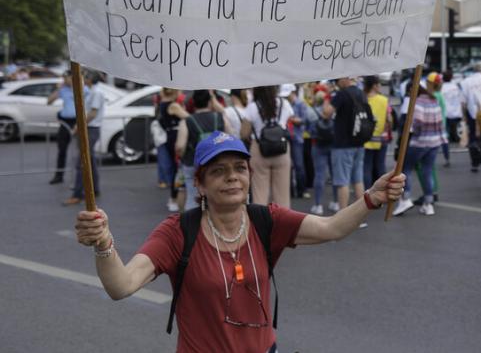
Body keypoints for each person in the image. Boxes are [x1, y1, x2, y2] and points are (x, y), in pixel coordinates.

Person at [73, 131, 405, 352]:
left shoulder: (268, 220)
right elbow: (121, 285)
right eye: (218, 171)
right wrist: (104, 243)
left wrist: (371, 198)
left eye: (239, 168)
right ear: (200, 185)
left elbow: (331, 228)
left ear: (249, 175)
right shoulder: (178, 232)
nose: (232, 176)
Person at [393, 80, 446, 216]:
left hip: (420, 142)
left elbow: (418, 122)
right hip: (434, 142)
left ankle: (405, 199)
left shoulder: (418, 102)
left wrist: (412, 130)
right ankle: (428, 204)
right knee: (427, 171)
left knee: (406, 169)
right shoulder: (433, 100)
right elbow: (440, 122)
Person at [176, 89, 233, 211]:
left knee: (192, 196)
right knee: (217, 194)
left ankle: (192, 225)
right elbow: (231, 136)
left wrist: (181, 156)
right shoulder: (220, 117)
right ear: (209, 102)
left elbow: (180, 146)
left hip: (192, 163)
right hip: (217, 162)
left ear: (194, 103)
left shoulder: (187, 121)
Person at [241, 86, 294, 208]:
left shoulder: (252, 107)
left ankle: (261, 224)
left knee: (260, 193)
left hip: (259, 150)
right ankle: (283, 224)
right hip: (281, 149)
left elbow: (244, 133)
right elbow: (288, 122)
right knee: (282, 194)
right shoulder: (283, 103)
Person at [324, 78, 371, 210]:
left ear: (345, 78)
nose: (337, 83)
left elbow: (326, 113)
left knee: (342, 181)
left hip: (342, 144)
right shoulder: (361, 93)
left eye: (338, 80)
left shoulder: (342, 94)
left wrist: (328, 96)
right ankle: (360, 215)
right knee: (358, 180)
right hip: (359, 141)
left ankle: (343, 217)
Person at [63, 70, 104, 206]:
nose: (84, 79)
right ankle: (95, 189)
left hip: (91, 129)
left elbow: (92, 113)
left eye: (85, 77)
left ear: (90, 79)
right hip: (90, 128)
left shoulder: (96, 92)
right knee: (90, 161)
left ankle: (78, 194)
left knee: (82, 162)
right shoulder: (93, 91)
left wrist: (79, 126)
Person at [157, 88, 189, 212]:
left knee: (176, 167)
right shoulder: (173, 105)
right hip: (175, 137)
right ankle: (173, 197)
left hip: (171, 136)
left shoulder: (163, 104)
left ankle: (174, 197)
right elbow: (188, 116)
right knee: (177, 168)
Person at [47, 71, 78, 185]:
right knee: (62, 149)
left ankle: (81, 177)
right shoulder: (63, 90)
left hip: (78, 122)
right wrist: (58, 89)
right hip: (65, 123)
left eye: (67, 78)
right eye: (64, 78)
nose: (64, 80)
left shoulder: (81, 89)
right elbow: (49, 101)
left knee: (81, 150)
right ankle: (59, 175)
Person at [363, 75, 391, 188]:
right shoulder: (384, 100)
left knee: (366, 167)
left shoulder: (362, 99)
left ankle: (367, 194)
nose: (380, 86)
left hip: (365, 139)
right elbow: (389, 119)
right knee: (380, 166)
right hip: (382, 138)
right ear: (374, 86)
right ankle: (382, 190)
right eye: (379, 84)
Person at [441, 70, 464, 148]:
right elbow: (461, 99)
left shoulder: (441, 88)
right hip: (456, 111)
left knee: (446, 128)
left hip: (446, 112)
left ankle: (447, 139)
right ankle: (455, 138)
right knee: (455, 127)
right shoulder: (456, 87)